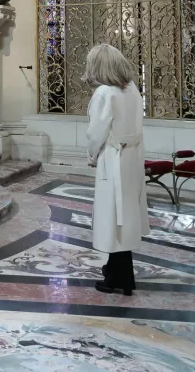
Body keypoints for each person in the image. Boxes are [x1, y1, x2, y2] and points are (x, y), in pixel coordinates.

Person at [84, 43, 149, 296]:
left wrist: (91, 155)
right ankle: (116, 270)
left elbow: (95, 133)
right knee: (125, 216)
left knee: (114, 217)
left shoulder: (104, 93)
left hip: (113, 158)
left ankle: (119, 278)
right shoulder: (132, 89)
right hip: (132, 158)